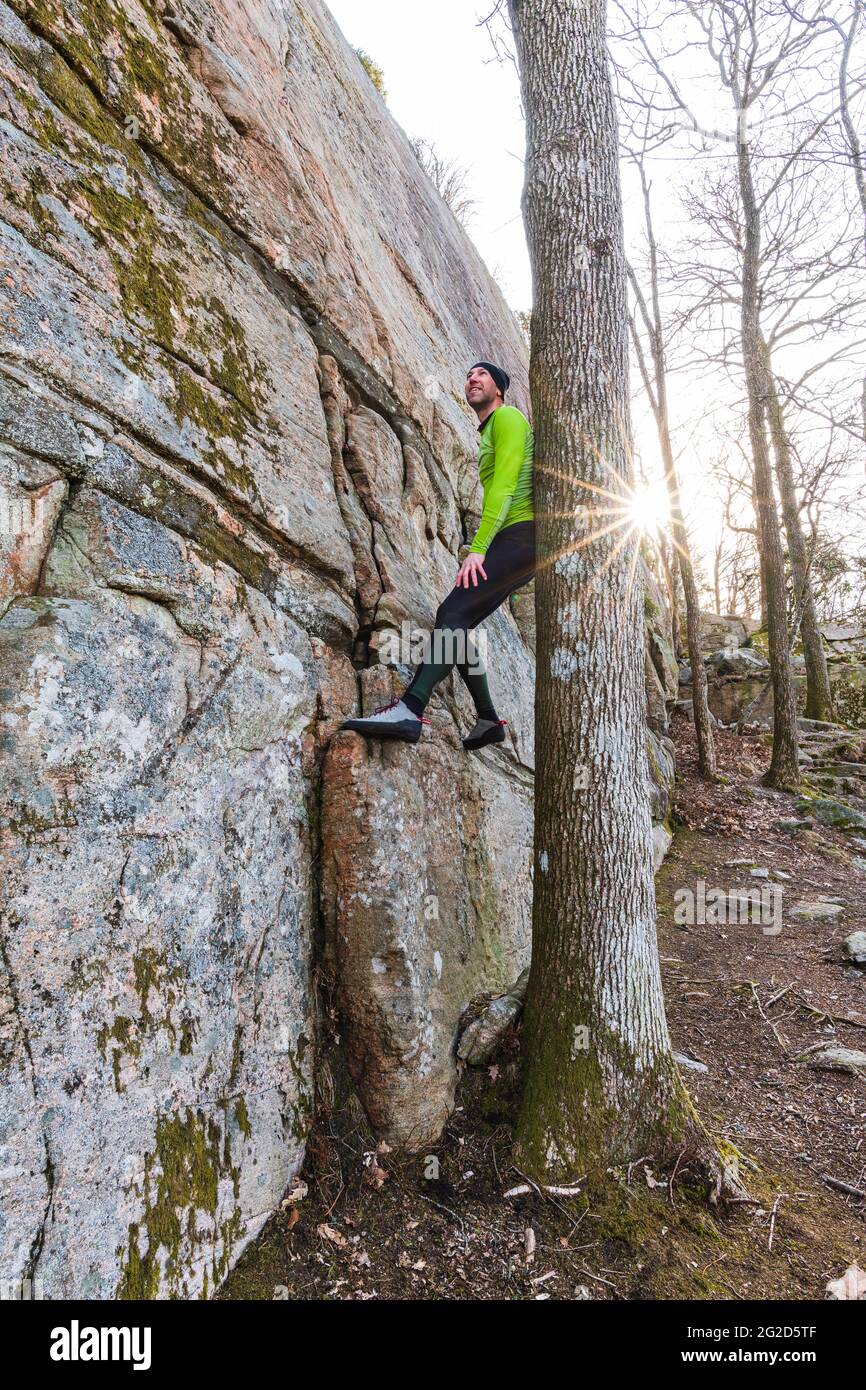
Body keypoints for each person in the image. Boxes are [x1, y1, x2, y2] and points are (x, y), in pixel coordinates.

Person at [341, 360, 535, 750]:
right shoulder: (488, 431)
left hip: (521, 535)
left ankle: (411, 708)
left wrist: (478, 549)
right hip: (516, 542)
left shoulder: (509, 418)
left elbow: (507, 486)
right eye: (468, 376)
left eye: (482, 375)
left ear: (499, 389)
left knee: (453, 614)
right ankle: (486, 720)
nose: (472, 379)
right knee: (456, 619)